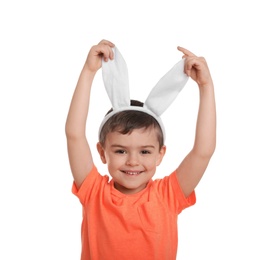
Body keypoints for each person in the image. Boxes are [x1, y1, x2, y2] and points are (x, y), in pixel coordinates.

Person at [65, 39, 216, 260]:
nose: (133, 161)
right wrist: (89, 71)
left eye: (145, 151)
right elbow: (74, 134)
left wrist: (206, 87)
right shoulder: (94, 192)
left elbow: (203, 151)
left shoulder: (168, 195)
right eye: (120, 151)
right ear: (102, 152)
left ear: (160, 155)